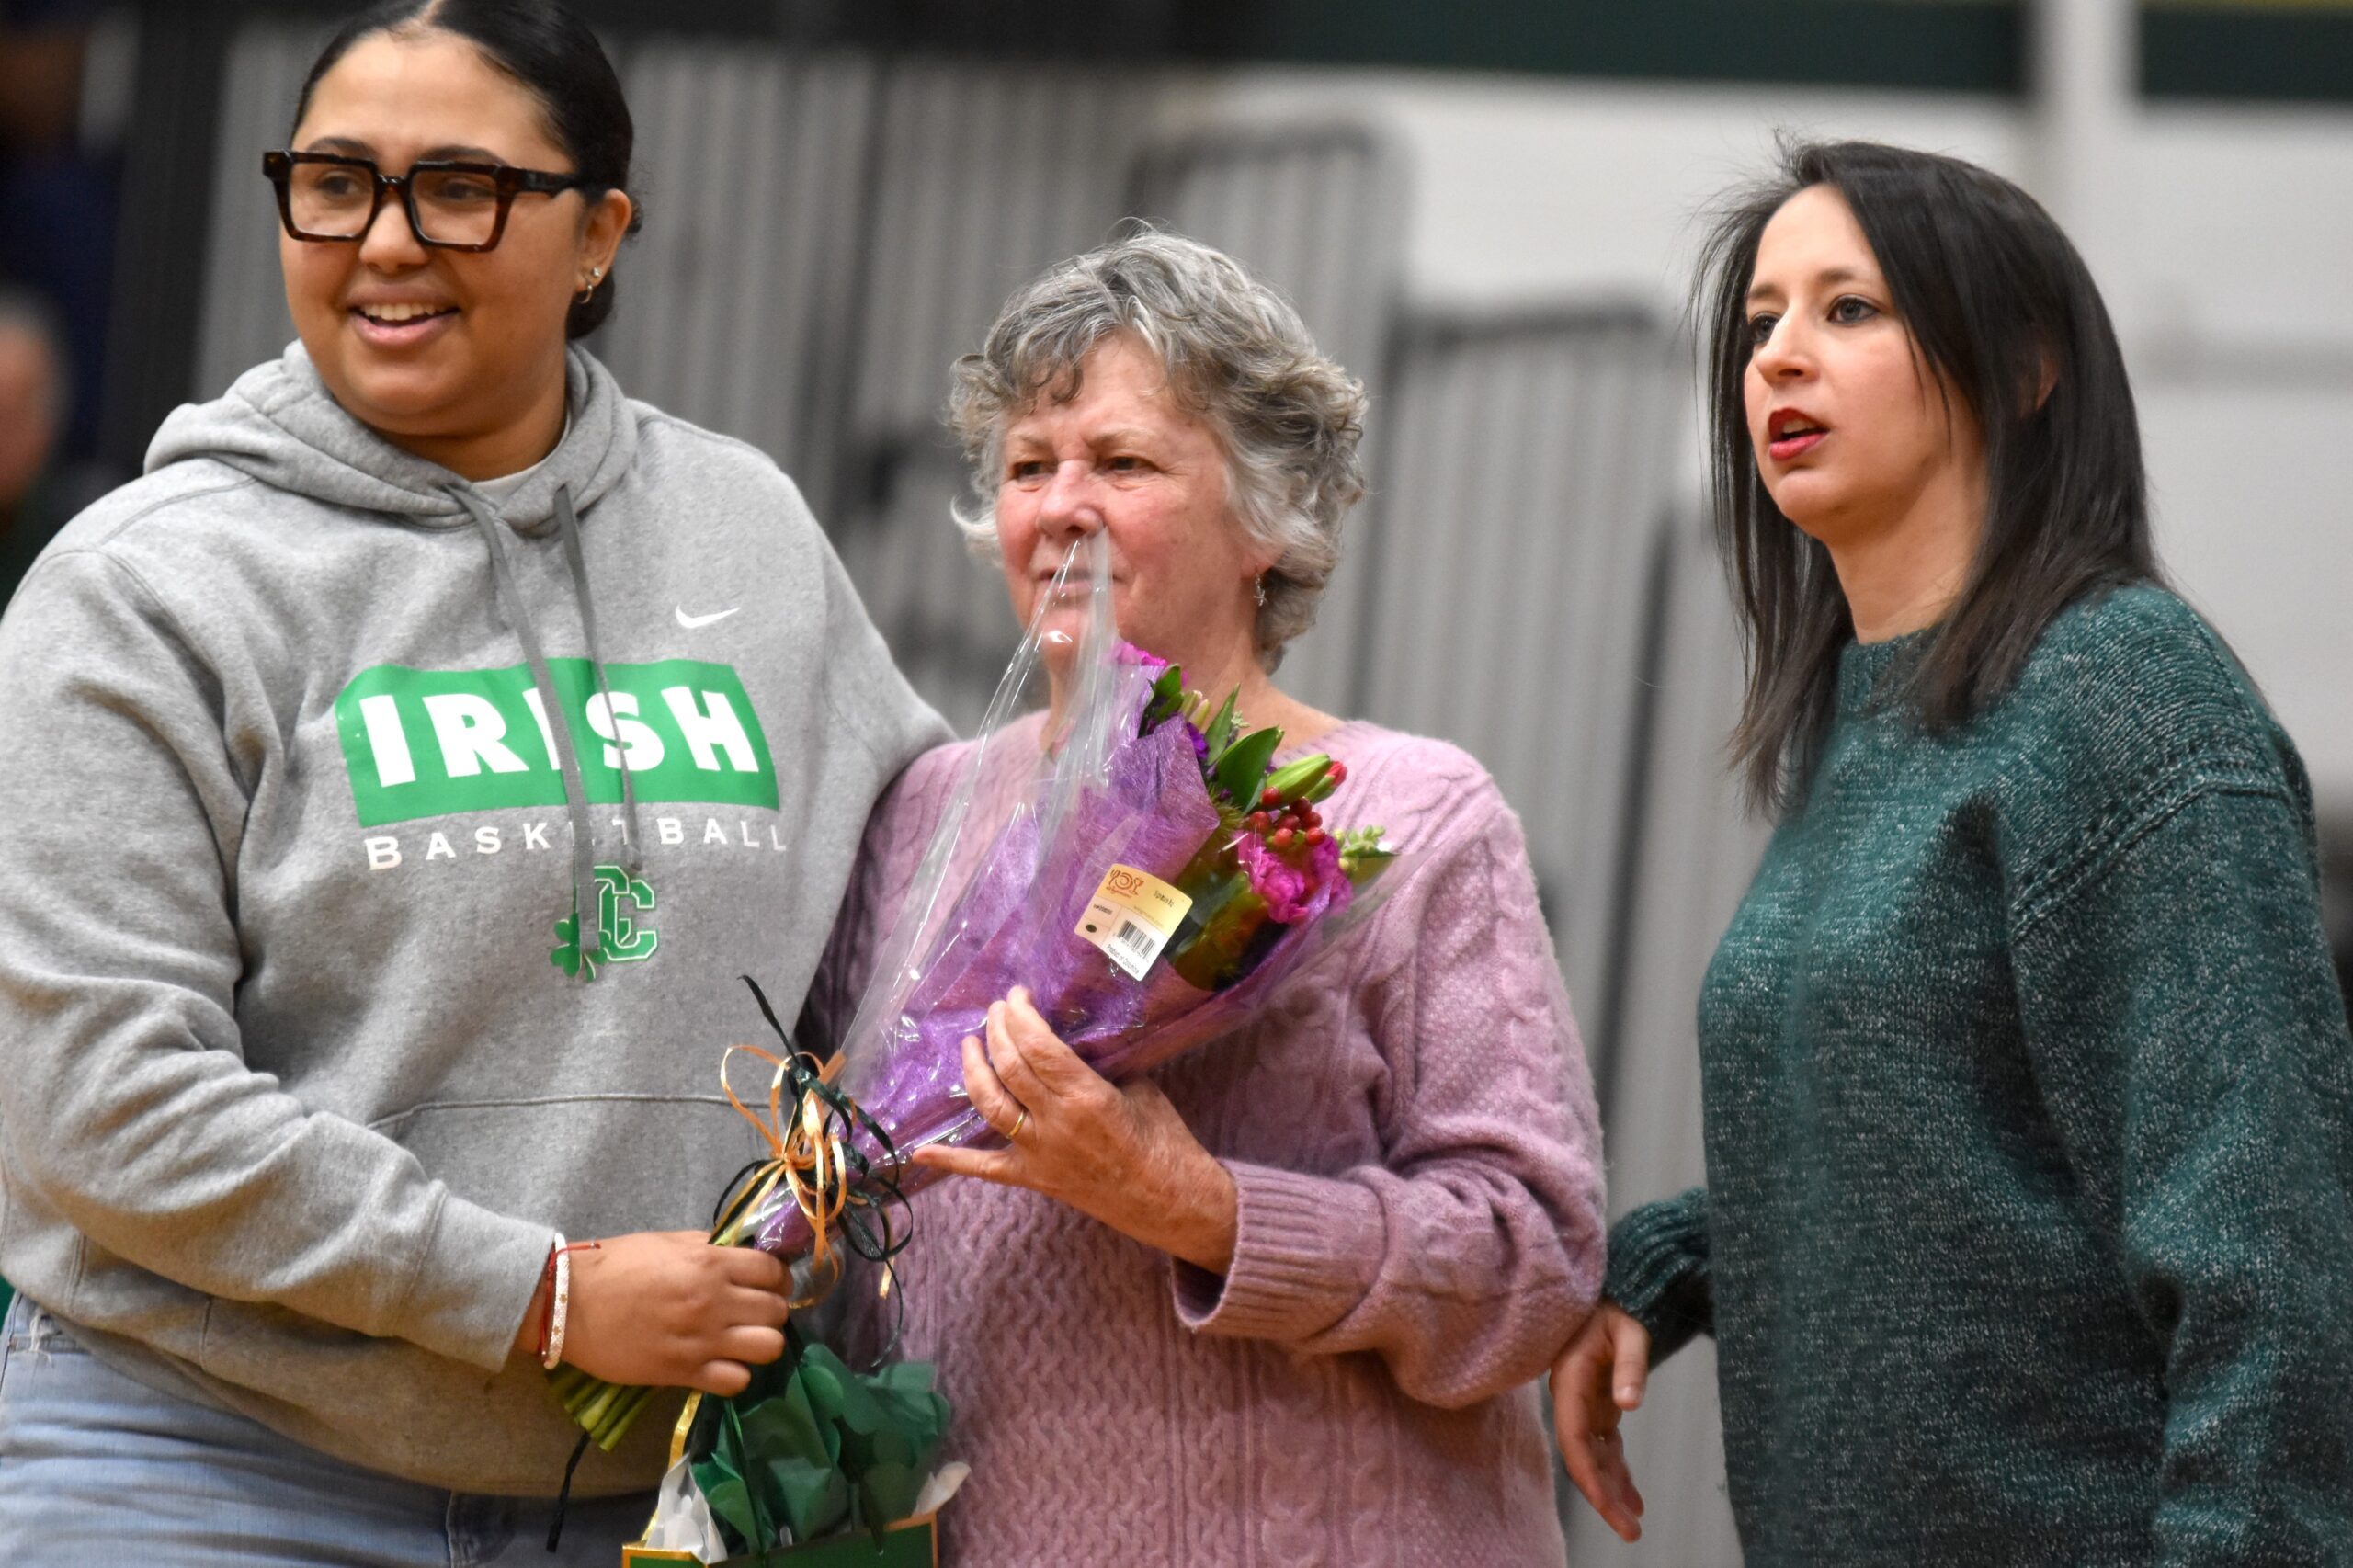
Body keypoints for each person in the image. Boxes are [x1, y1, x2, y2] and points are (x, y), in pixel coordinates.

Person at [0, 3, 945, 1562]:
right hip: (203, 1461)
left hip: (649, 1497)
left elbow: (912, 909)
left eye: (458, 189)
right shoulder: (141, 593)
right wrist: (545, 1294)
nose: (385, 241)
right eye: (336, 182)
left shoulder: (747, 533)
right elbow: (101, 1108)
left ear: (598, 235)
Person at [1552, 139, 2353, 1563]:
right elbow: (1934, 1166)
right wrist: (1668, 1264)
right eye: (1760, 323)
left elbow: (2271, 1263)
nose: (1780, 358)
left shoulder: (2130, 699)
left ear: (2027, 366)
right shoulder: (1868, 721)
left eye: (1848, 310)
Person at [804, 230, 1608, 1565]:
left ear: (1267, 522)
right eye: (1025, 467)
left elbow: (1532, 1267)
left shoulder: (1410, 819)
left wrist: (1194, 1205)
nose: (1062, 505)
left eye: (1121, 462)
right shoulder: (919, 817)